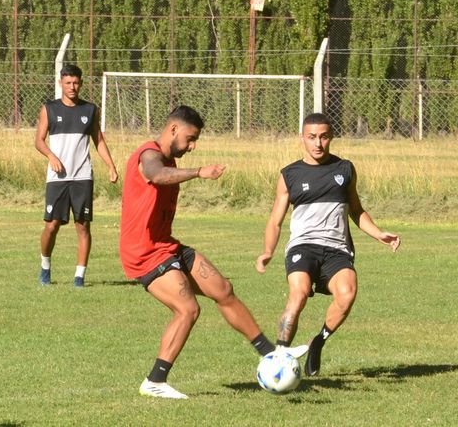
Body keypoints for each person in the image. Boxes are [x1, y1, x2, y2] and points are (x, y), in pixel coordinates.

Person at [119, 105, 305, 399]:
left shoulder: (168, 158)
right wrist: (198, 173)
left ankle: (270, 354)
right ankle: (155, 380)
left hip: (166, 246)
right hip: (143, 253)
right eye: (190, 139)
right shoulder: (149, 155)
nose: (192, 147)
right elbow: (155, 175)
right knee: (188, 309)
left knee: (223, 289)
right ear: (173, 130)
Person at [256, 113, 400, 377]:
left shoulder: (345, 169)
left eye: (323, 137)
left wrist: (378, 233)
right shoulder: (289, 174)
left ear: (331, 137)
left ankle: (318, 342)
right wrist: (267, 251)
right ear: (302, 138)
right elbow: (275, 221)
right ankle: (279, 355)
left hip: (337, 249)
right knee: (298, 294)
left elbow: (356, 211)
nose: (318, 143)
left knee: (347, 294)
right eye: (311, 137)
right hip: (303, 246)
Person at [35, 64, 118, 287]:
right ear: (61, 83)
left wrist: (111, 166)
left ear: (81, 83)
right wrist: (51, 156)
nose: (72, 87)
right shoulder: (49, 109)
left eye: (76, 83)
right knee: (52, 225)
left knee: (83, 226)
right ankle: (45, 268)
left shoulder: (89, 110)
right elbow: (38, 141)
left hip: (82, 176)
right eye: (68, 83)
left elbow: (98, 140)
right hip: (58, 178)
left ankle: (79, 277)